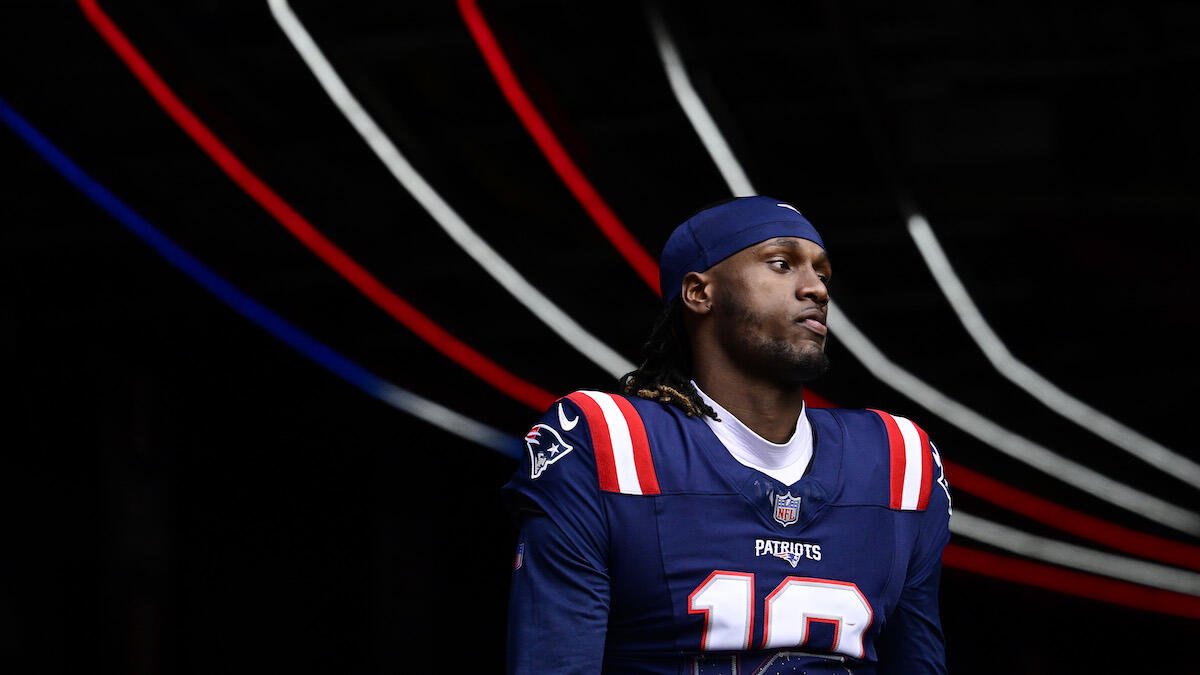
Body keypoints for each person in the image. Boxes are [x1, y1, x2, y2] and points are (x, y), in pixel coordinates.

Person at [504, 197, 952, 674]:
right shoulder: (607, 440)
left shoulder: (898, 456)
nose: (816, 288)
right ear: (700, 292)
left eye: (822, 273)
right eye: (781, 264)